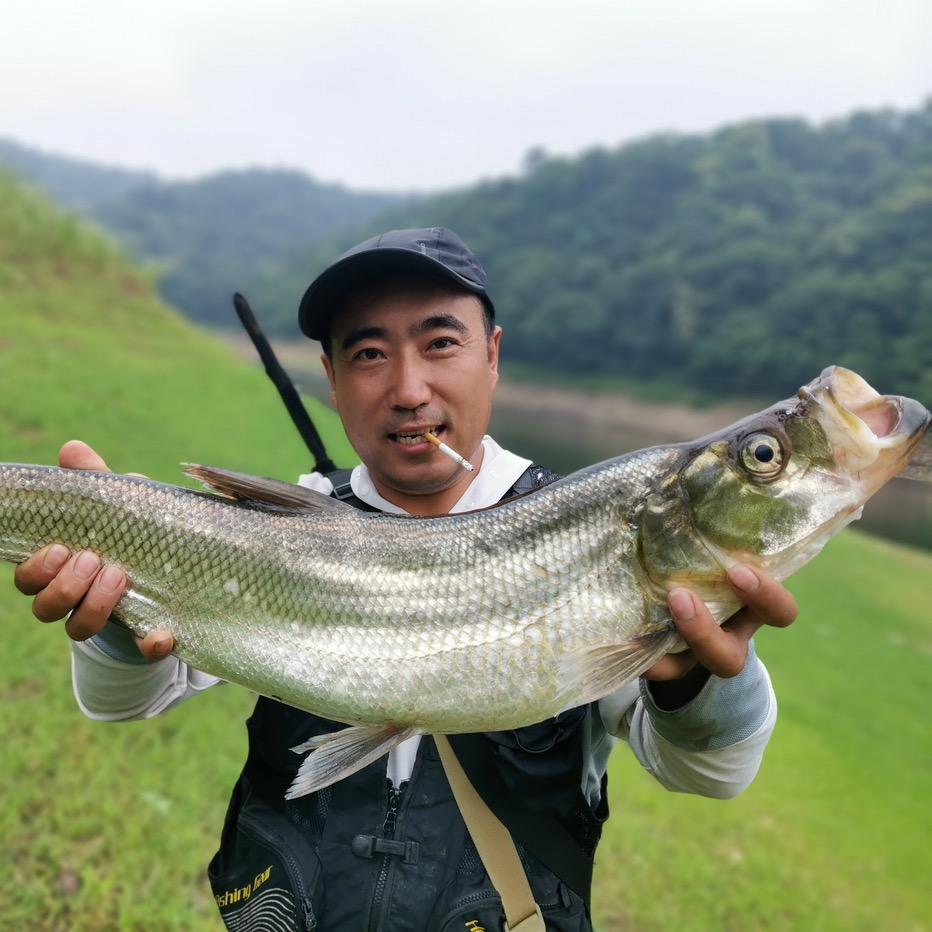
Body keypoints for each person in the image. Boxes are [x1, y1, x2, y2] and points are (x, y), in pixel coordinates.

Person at [14, 228, 797, 931]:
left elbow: (711, 772)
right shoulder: (291, 522)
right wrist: (116, 616)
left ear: (492, 355)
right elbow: (126, 701)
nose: (409, 388)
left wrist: (701, 685)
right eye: (368, 354)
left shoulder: (592, 531)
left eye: (440, 343)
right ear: (331, 379)